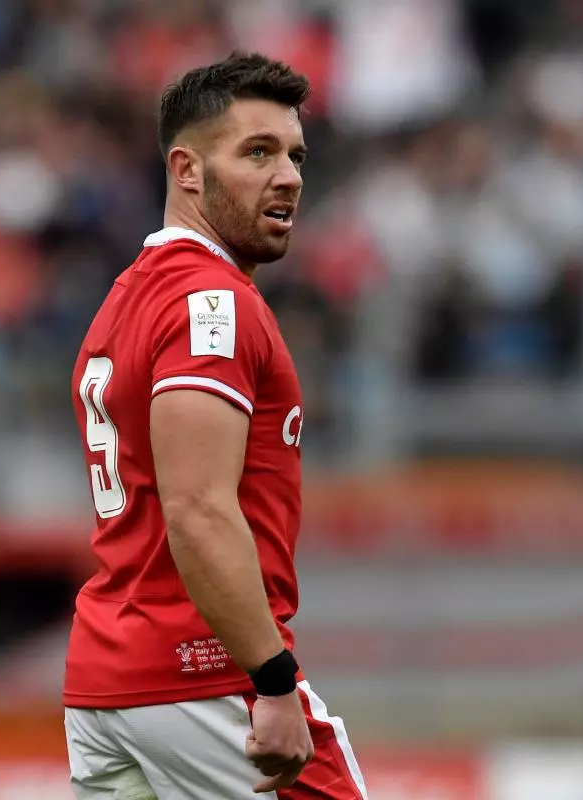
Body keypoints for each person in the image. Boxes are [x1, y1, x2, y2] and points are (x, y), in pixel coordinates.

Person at [63, 52, 369, 799]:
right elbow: (198, 506)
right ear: (187, 170)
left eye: (296, 155)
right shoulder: (212, 306)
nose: (289, 176)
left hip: (107, 685)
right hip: (203, 677)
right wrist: (272, 679)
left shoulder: (127, 299)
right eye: (257, 152)